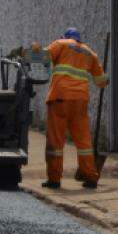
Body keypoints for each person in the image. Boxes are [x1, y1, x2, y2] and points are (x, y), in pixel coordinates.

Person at [34, 28, 109, 190]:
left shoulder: (61, 44)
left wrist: (35, 50)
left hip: (60, 98)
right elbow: (101, 81)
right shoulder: (90, 53)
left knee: (56, 139)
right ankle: (91, 177)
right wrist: (105, 78)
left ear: (66, 37)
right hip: (80, 100)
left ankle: (54, 179)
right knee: (84, 141)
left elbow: (43, 58)